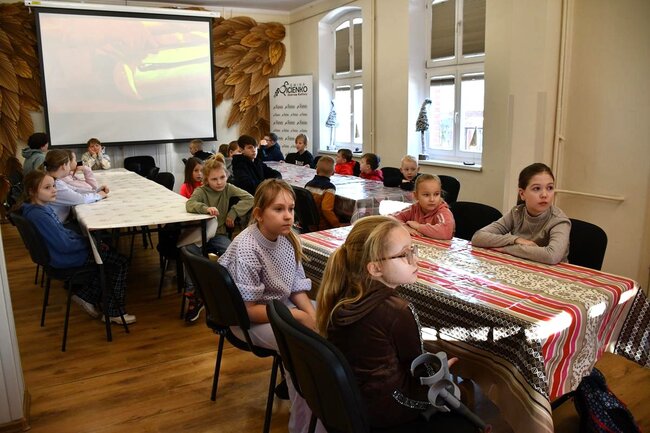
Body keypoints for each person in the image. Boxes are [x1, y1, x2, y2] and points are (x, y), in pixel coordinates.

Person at [315, 216, 475, 432]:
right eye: (404, 254)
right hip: (390, 408)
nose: (416, 260)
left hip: (355, 404)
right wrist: (440, 369)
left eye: (413, 250)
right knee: (463, 395)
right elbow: (418, 368)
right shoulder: (398, 311)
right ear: (375, 269)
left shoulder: (345, 295)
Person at [218, 179, 320, 433]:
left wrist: (310, 315)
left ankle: (324, 400)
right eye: (278, 209)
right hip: (248, 320)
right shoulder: (247, 247)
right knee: (302, 349)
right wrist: (298, 317)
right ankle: (303, 424)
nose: (288, 216)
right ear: (259, 214)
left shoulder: (288, 238)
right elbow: (247, 310)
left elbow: (296, 286)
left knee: (329, 319)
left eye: (291, 209)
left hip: (277, 307)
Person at [20, 170, 135, 324]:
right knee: (120, 262)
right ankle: (113, 312)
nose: (54, 190)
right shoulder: (39, 215)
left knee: (109, 253)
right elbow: (65, 245)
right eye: (47, 188)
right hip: (65, 259)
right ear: (31, 191)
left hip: (61, 256)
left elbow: (63, 234)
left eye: (53, 186)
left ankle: (86, 296)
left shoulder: (39, 208)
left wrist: (88, 241)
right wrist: (89, 243)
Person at [471, 162, 571, 264]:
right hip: (520, 266)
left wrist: (507, 249)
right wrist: (516, 240)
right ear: (522, 194)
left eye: (550, 188)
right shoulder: (516, 213)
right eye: (537, 188)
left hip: (553, 272)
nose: (544, 195)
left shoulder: (559, 220)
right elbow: (478, 237)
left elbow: (552, 256)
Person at [42, 150, 108, 224]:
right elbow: (80, 199)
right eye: (68, 164)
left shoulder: (56, 180)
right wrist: (98, 195)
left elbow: (75, 190)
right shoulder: (54, 185)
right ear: (64, 166)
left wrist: (96, 191)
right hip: (58, 225)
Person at [392, 174, 454, 240]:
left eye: (436, 194)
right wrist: (405, 227)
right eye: (426, 195)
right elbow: (391, 218)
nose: (432, 199)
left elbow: (446, 232)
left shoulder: (443, 211)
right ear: (416, 195)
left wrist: (419, 227)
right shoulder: (414, 208)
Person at [305, 156, 342, 230]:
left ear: (317, 170)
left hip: (307, 223)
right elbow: (326, 209)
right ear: (333, 172)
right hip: (322, 226)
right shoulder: (329, 188)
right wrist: (337, 225)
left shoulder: (308, 184)